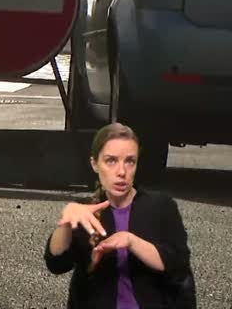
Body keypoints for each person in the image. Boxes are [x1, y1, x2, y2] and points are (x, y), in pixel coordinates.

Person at [44, 123, 196, 308]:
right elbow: (57, 265)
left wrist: (131, 241)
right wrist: (65, 223)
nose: (122, 172)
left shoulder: (161, 207)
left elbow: (178, 265)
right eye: (111, 161)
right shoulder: (87, 212)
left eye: (130, 161)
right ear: (95, 164)